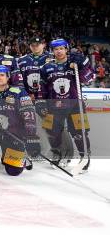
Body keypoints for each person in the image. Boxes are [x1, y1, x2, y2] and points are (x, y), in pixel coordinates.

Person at [39, 38, 94, 172]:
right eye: (56, 49)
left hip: (75, 104)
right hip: (54, 105)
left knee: (79, 133)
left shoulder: (74, 64)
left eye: (61, 48)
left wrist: (82, 65)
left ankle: (84, 159)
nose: (59, 51)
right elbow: (43, 87)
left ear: (66, 49)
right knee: (52, 132)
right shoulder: (46, 68)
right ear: (52, 51)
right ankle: (58, 155)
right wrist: (41, 102)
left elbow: (90, 77)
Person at [0, 65, 40, 176]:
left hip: (16, 135)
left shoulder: (18, 92)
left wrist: (31, 137)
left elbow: (29, 114)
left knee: (13, 171)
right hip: (1, 135)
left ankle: (24, 156)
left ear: (8, 77)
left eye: (2, 75)